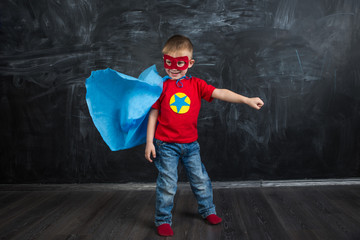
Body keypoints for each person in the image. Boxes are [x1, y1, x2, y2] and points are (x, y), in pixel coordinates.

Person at [145, 35, 264, 237]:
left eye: (180, 63)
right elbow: (153, 113)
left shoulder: (197, 85)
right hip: (166, 145)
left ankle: (208, 211)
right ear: (164, 60)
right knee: (167, 184)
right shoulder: (161, 87)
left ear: (190, 63)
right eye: (169, 63)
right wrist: (149, 142)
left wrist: (246, 99)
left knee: (201, 179)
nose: (174, 68)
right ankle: (163, 220)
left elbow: (221, 93)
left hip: (191, 145)